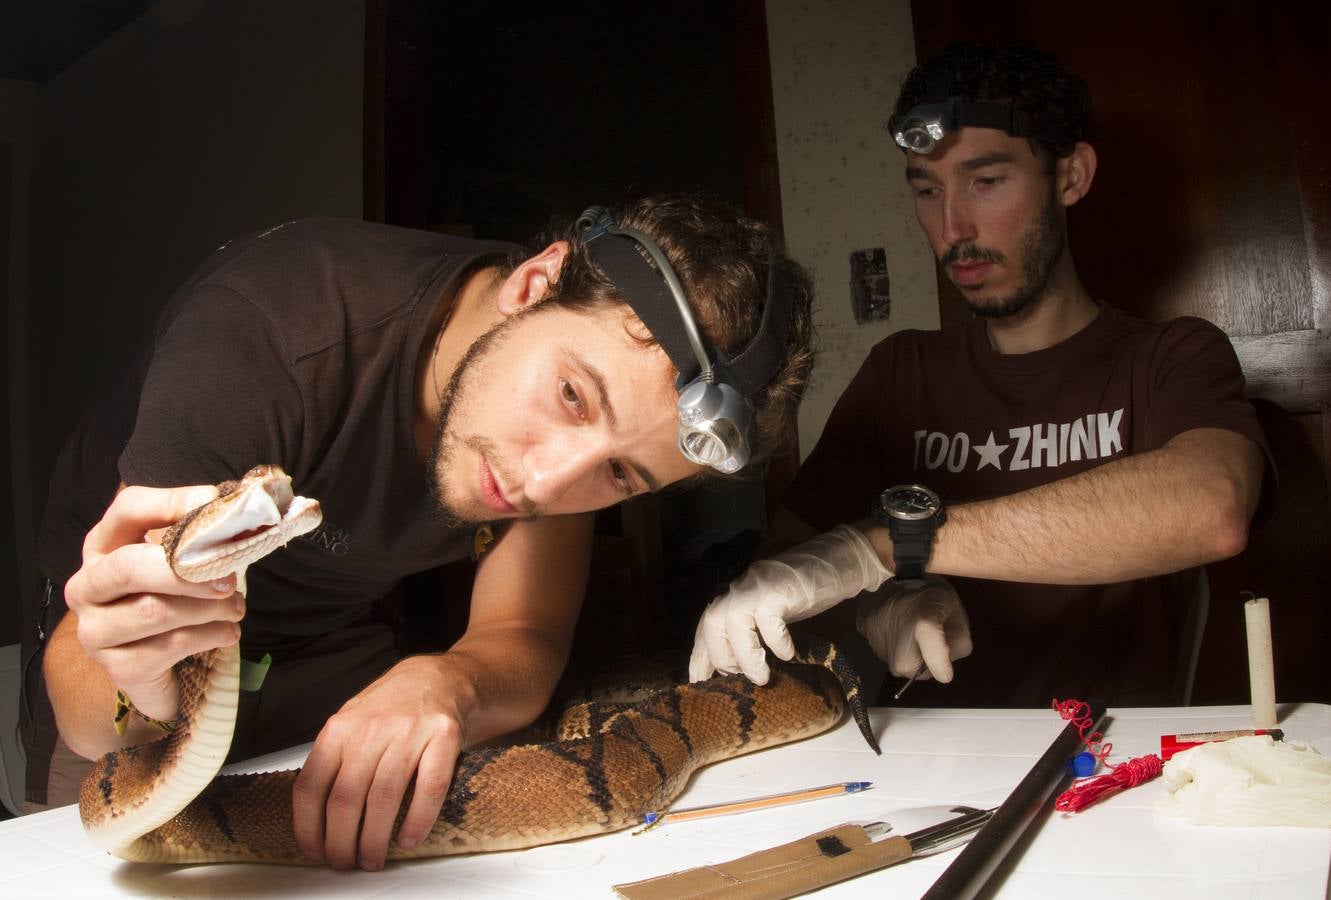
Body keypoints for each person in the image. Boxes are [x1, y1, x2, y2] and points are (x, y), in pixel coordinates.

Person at [20, 194, 815, 870]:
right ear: (535, 282)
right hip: (120, 661)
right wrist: (146, 687)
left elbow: (524, 633)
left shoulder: (567, 417)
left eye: (620, 477)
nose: (544, 484)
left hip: (329, 639)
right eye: (574, 397)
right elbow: (87, 707)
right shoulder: (268, 332)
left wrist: (450, 680)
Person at [689, 41, 1269, 709]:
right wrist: (883, 605)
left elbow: (1212, 507)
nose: (952, 226)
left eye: (986, 181)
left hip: (1120, 763)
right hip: (934, 766)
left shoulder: (1171, 358)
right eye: (927, 190)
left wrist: (889, 549)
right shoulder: (902, 373)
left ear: (1071, 175)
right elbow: (787, 577)